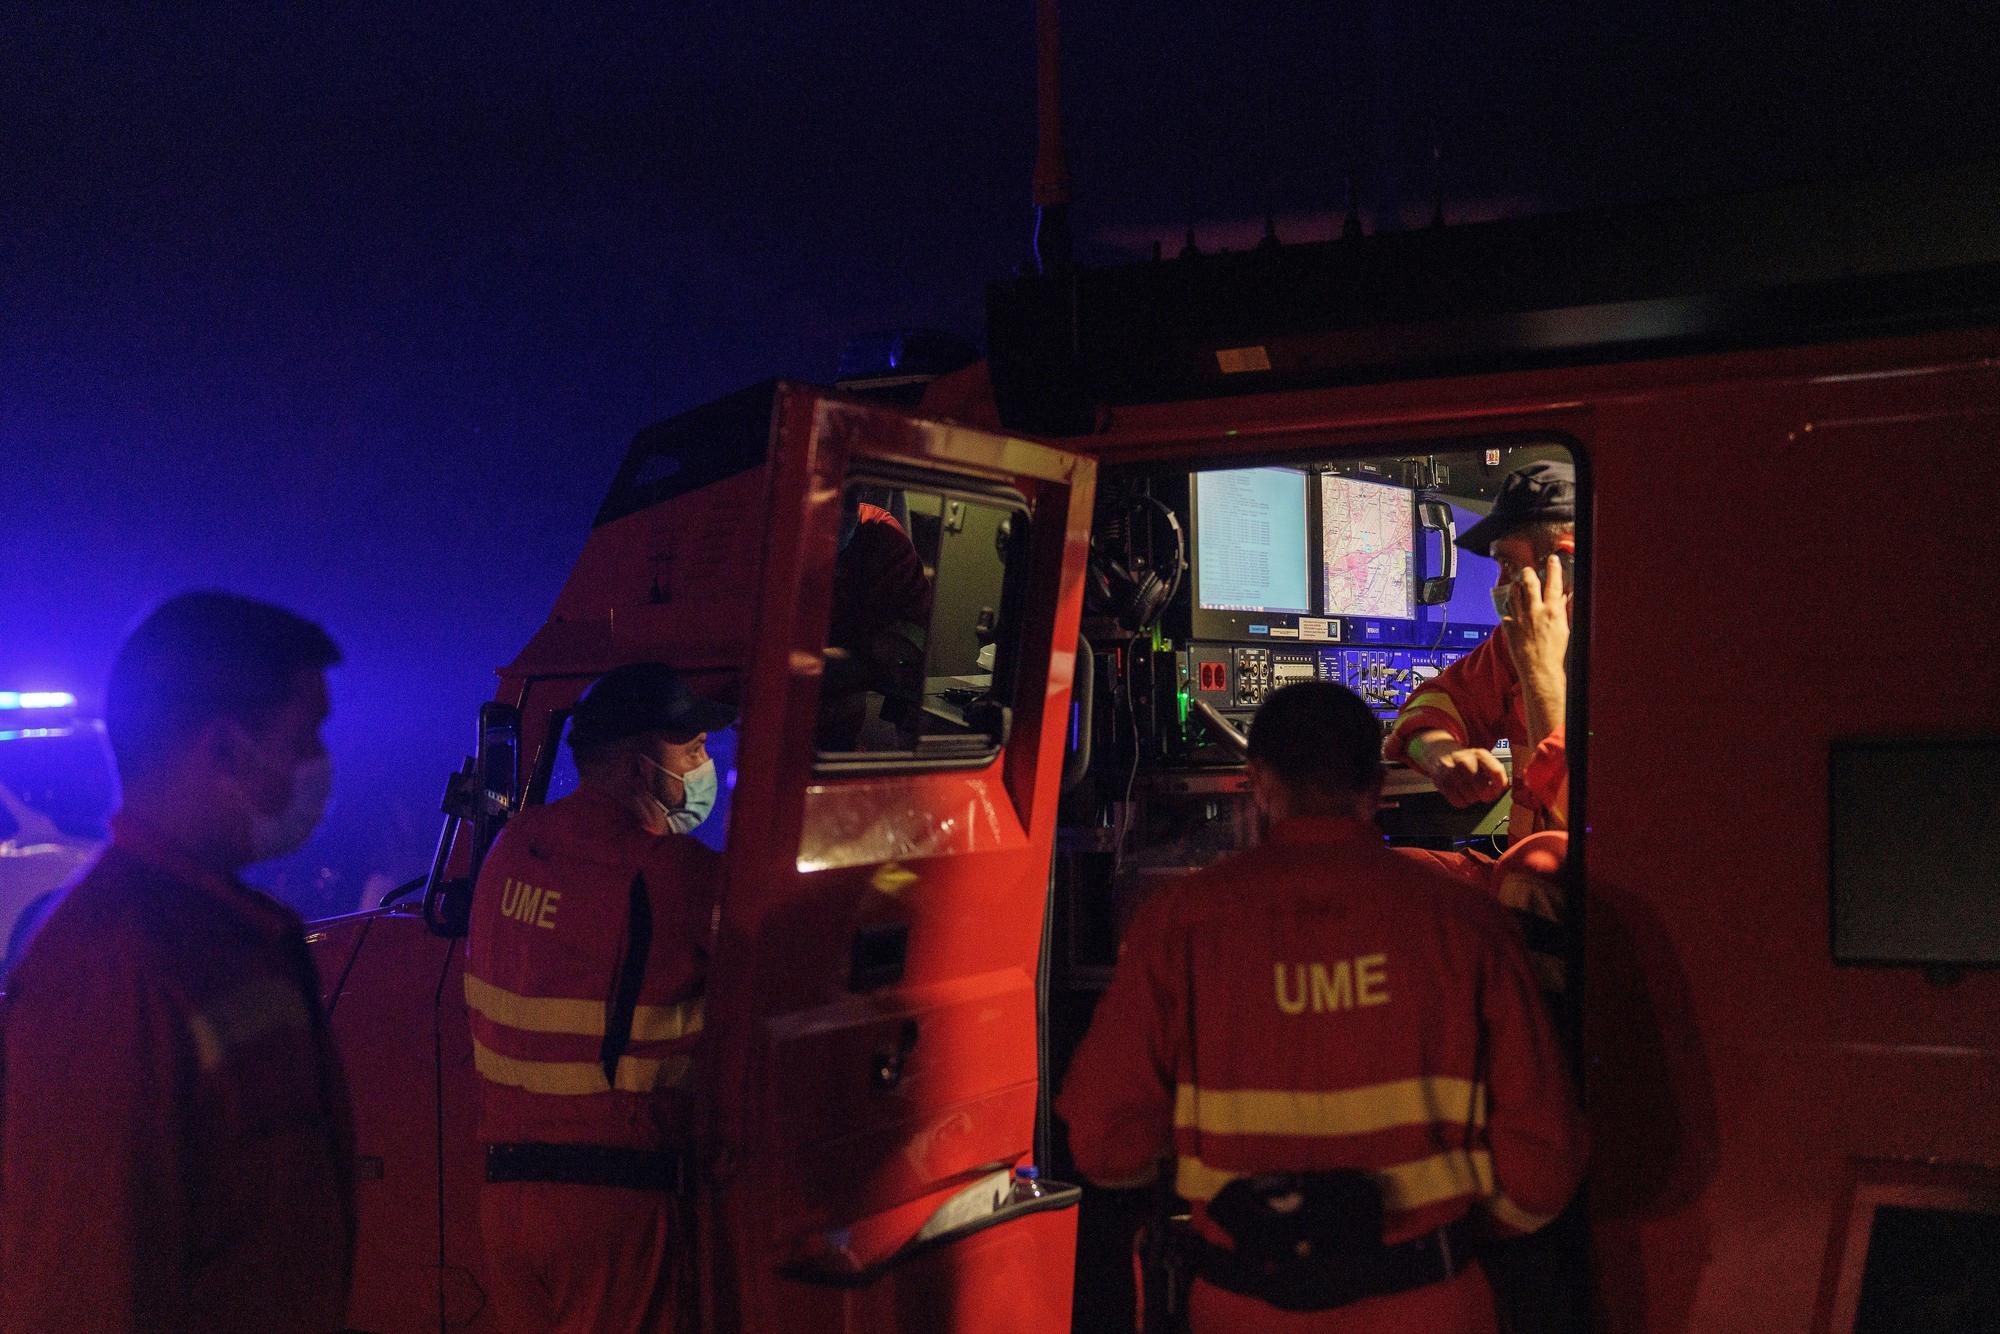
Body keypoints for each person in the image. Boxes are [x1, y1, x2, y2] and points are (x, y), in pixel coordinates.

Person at [1059, 681, 1585, 1333]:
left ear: (1257, 782)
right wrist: (1466, 1229)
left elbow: (1104, 1142)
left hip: (1239, 1309)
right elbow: (1543, 1169)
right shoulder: (1468, 922)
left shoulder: (1179, 923)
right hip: (1430, 1308)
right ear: (1375, 789)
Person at [0, 591, 354, 1333]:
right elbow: (78, 1284)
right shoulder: (110, 964)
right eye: (307, 736)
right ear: (227, 750)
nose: (321, 765)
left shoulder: (243, 938)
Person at [464, 661, 734, 1334]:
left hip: (507, 1196)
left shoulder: (513, 848)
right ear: (641, 768)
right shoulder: (678, 874)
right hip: (617, 1201)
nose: (705, 765)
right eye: (693, 750)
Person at [1386, 460, 1575, 840]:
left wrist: (1541, 672)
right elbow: (1433, 703)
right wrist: (1441, 757)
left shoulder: (1639, 649)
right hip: (1526, 881)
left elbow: (1577, 808)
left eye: (1508, 563)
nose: (1499, 585)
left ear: (1566, 565)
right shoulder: (1511, 648)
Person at [819, 494, 933, 750]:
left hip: (842, 719)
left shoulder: (883, 535)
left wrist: (868, 656)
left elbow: (916, 635)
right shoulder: (769, 529)